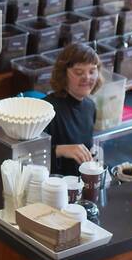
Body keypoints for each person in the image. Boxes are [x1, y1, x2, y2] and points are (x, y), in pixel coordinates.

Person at [43, 43, 102, 177]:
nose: (87, 77)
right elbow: (32, 158)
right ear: (63, 74)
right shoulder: (47, 110)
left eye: (92, 71)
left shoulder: (90, 106)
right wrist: (59, 150)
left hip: (79, 185)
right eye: (79, 72)